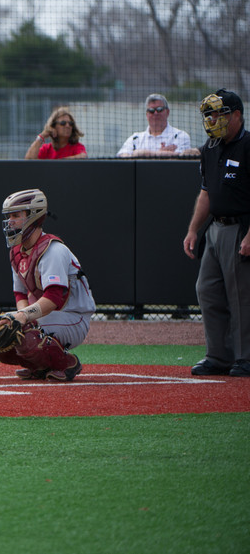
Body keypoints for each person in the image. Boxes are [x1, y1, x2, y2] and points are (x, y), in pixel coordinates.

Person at [0, 188, 94, 381]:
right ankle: (37, 365)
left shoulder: (53, 250)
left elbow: (54, 298)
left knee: (25, 332)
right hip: (45, 315)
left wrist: (23, 318)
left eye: (16, 215)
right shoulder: (16, 251)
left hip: (73, 317)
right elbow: (20, 294)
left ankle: (67, 363)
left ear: (33, 215)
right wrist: (21, 317)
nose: (10, 221)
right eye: (9, 216)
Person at [182, 89, 250, 377]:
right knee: (207, 290)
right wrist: (193, 230)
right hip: (215, 229)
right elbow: (206, 193)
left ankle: (245, 357)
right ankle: (218, 355)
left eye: (219, 113)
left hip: (240, 228)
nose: (213, 119)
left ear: (237, 114)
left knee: (241, 296)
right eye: (209, 114)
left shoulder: (248, 145)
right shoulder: (209, 147)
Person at [117, 93, 199, 158]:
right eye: (151, 110)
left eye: (159, 110)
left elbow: (181, 158)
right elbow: (122, 157)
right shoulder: (135, 139)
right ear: (147, 114)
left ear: (167, 112)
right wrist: (162, 154)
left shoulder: (180, 136)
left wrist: (141, 153)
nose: (155, 113)